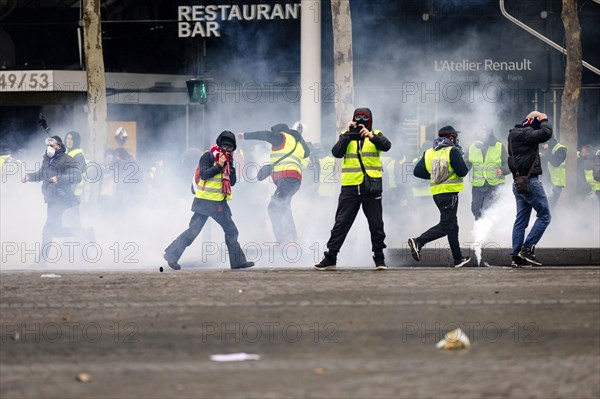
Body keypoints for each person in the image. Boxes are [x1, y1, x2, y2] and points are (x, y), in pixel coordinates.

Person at [163, 131, 254, 270]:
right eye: (224, 146)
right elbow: (204, 174)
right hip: (204, 201)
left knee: (232, 231)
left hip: (219, 202)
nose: (226, 150)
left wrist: (230, 167)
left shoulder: (229, 160)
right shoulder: (208, 155)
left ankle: (238, 262)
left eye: (230, 147)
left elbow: (233, 182)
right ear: (219, 144)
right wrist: (219, 166)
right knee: (193, 230)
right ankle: (171, 255)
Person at [314, 108, 392, 270]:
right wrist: (348, 135)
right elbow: (337, 153)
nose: (361, 122)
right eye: (358, 119)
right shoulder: (346, 135)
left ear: (370, 120)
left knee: (376, 225)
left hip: (372, 187)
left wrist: (371, 136)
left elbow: (386, 146)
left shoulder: (376, 133)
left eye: (365, 119)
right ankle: (331, 257)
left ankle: (379, 258)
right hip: (350, 188)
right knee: (341, 223)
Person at [21, 136, 93, 263]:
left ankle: (41, 262)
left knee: (47, 230)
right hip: (51, 199)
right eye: (47, 145)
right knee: (56, 231)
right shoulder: (47, 159)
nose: (49, 147)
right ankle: (86, 232)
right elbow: (41, 174)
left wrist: (59, 178)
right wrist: (29, 177)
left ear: (58, 146)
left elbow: (76, 176)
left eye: (52, 145)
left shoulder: (66, 159)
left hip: (61, 198)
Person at [407, 125, 471, 268]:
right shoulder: (452, 151)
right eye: (454, 137)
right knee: (446, 226)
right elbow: (462, 172)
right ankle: (418, 241)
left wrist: (434, 175)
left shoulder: (430, 152)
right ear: (451, 138)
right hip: (450, 193)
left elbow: (417, 171)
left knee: (453, 226)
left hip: (437, 194)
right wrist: (465, 162)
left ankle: (458, 258)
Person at [238, 123, 310, 244]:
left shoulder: (282, 137)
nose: (273, 136)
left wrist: (244, 135)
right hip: (293, 180)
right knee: (283, 207)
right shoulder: (296, 142)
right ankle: (290, 241)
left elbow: (265, 135)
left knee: (274, 207)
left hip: (287, 179)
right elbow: (307, 153)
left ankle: (286, 241)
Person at [507, 111, 552, 267]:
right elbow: (546, 133)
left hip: (518, 183)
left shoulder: (514, 134)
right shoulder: (525, 132)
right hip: (530, 182)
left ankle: (516, 256)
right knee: (545, 216)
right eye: (537, 123)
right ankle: (526, 249)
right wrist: (544, 119)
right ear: (532, 121)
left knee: (521, 221)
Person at [465, 130, 510, 220]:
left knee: (488, 212)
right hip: (478, 186)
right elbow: (466, 164)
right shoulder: (472, 147)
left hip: (494, 185)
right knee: (477, 212)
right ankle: (479, 233)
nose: (481, 132)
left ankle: (484, 233)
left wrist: (502, 170)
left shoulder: (499, 146)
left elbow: (508, 164)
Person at [64, 131, 88, 227]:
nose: (69, 141)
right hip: (66, 192)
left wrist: (68, 192)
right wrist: (46, 129)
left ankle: (82, 237)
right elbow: (56, 142)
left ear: (76, 141)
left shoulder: (78, 156)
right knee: (65, 219)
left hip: (73, 194)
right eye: (67, 138)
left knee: (73, 220)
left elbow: (76, 176)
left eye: (72, 139)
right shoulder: (66, 151)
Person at [540, 138, 567, 209]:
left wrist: (546, 150)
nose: (542, 146)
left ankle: (551, 219)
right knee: (545, 206)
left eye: (543, 144)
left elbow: (555, 163)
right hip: (547, 181)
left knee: (549, 206)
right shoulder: (548, 149)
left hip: (556, 183)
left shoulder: (561, 149)